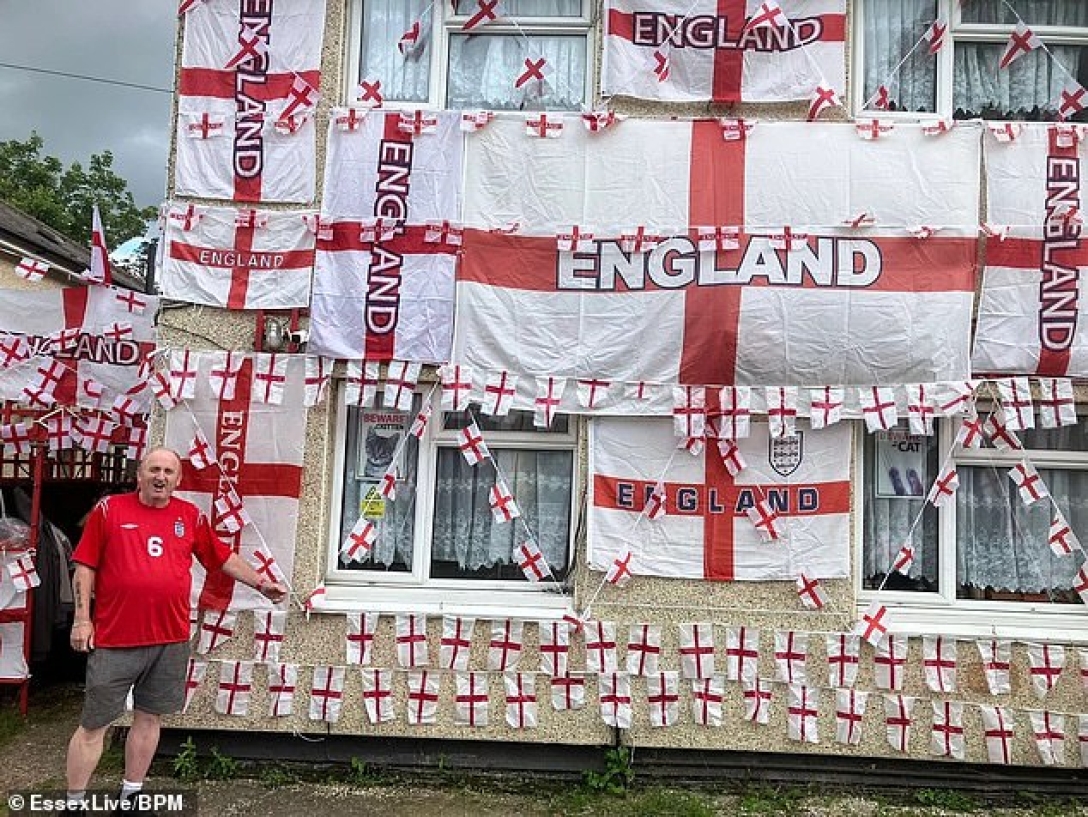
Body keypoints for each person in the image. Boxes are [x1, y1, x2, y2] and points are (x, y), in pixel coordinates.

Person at [64, 447, 288, 814]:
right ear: (139, 474)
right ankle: (73, 802)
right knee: (94, 724)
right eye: (154, 469)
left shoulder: (190, 516)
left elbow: (222, 558)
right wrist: (82, 618)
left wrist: (261, 584)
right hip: (116, 639)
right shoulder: (109, 511)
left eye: (168, 471)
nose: (160, 477)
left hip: (170, 639)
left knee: (150, 717)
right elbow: (84, 566)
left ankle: (131, 794)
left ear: (178, 480)